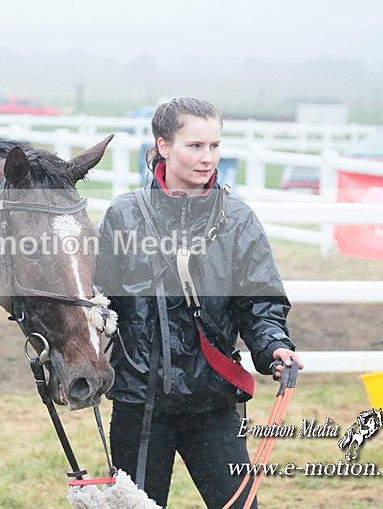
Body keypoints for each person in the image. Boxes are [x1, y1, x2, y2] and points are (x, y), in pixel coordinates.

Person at [94, 97, 303, 508]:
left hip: (214, 404)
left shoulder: (238, 219)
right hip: (140, 405)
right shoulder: (123, 215)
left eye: (215, 146)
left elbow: (259, 303)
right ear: (164, 146)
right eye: (195, 146)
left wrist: (272, 345)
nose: (208, 158)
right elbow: (98, 302)